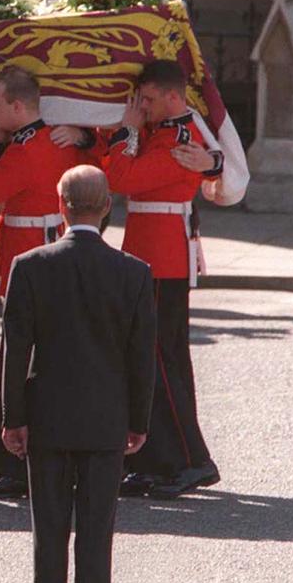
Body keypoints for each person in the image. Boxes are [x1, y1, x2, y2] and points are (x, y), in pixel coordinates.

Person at [1, 165, 155, 583]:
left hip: (47, 417)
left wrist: (13, 418)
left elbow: (16, 351)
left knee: (49, 536)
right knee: (96, 536)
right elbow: (141, 357)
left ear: (60, 204)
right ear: (107, 205)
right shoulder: (133, 272)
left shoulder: (30, 265)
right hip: (106, 418)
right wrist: (139, 420)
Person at [0, 65, 92, 499]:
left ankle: (9, 461)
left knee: (17, 363)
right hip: (40, 255)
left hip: (26, 260)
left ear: (16, 106)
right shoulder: (51, 139)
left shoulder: (24, 150)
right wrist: (85, 135)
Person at [104, 59, 221, 499]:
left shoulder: (180, 140)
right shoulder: (162, 132)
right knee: (150, 362)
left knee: (162, 364)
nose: (142, 108)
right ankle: (155, 458)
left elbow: (120, 176)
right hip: (149, 254)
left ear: (172, 96)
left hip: (163, 258)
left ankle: (191, 460)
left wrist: (127, 131)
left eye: (148, 99)